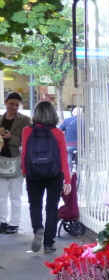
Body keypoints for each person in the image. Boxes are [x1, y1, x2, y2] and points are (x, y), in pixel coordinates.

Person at [21, 101, 71, 254]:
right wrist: (67, 180)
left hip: (33, 173)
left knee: (35, 204)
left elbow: (24, 153)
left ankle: (38, 229)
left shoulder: (27, 131)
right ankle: (49, 244)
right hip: (54, 174)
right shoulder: (58, 133)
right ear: (52, 114)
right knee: (51, 207)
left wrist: (25, 171)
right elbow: (63, 158)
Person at [0, 92, 31, 234]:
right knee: (1, 195)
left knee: (15, 195)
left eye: (17, 105)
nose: (13, 107)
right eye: (11, 104)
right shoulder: (0, 119)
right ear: (5, 102)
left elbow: (28, 140)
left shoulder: (25, 120)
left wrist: (10, 137)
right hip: (1, 160)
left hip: (16, 160)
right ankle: (2, 221)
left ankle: (14, 223)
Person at [58, 106, 79, 170]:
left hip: (69, 145)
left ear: (73, 113)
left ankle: (69, 172)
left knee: (68, 159)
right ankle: (78, 173)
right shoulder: (85, 121)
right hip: (80, 146)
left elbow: (59, 130)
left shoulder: (67, 120)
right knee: (80, 160)